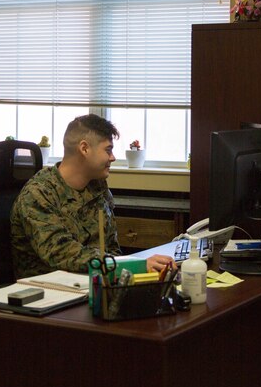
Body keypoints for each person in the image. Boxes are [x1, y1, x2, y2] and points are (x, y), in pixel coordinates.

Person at [10, 114, 174, 279]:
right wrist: (134, 266)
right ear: (85, 149)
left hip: (96, 283)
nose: (113, 157)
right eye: (108, 150)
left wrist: (134, 272)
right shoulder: (38, 193)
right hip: (49, 291)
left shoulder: (98, 188)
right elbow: (61, 253)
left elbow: (111, 249)